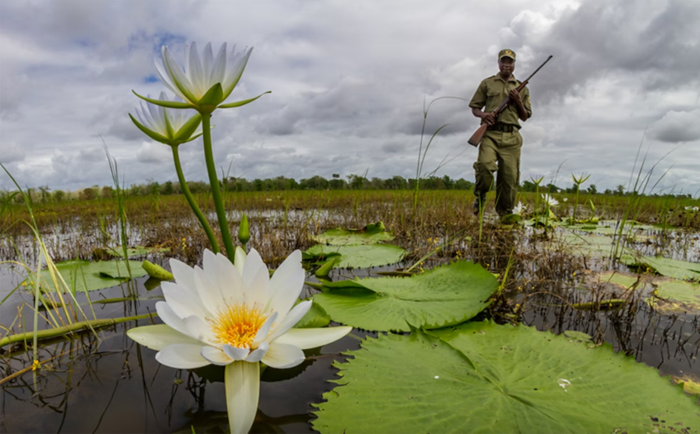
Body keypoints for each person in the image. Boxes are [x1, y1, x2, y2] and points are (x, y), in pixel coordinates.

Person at [469, 49, 532, 217]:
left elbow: (525, 116)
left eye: (510, 62)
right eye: (503, 61)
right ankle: (480, 195)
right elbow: (475, 108)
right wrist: (484, 115)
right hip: (490, 134)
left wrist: (518, 100)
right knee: (485, 166)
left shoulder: (522, 88)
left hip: (512, 137)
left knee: (509, 179)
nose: (506, 64)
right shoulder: (487, 83)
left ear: (513, 65)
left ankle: (505, 215)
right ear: (498, 63)